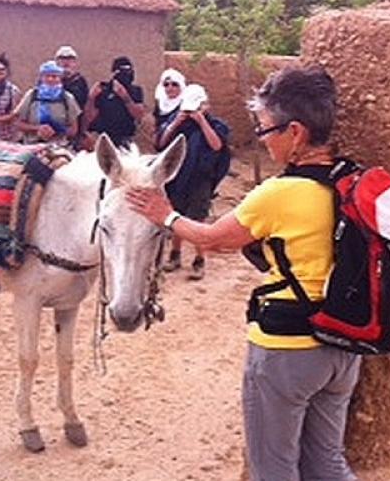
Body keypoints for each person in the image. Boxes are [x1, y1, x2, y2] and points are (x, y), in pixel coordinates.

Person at [127, 65, 361, 481]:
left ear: (296, 133)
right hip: (343, 348)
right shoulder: (352, 180)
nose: (262, 140)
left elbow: (213, 238)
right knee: (327, 464)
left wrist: (164, 215)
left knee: (273, 470)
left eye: (266, 130)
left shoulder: (280, 193)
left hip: (287, 349)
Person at [157, 84, 230, 279]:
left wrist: (201, 121)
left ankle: (199, 260)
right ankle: (175, 255)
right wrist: (175, 124)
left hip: (201, 180)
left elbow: (217, 146)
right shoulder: (178, 122)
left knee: (197, 219)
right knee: (176, 217)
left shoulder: (216, 125)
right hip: (178, 179)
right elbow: (162, 143)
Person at [14, 60, 81, 145]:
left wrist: (56, 131)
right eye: (47, 76)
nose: (50, 79)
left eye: (54, 76)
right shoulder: (31, 95)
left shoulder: (67, 98)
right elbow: (18, 124)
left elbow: (73, 130)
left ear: (60, 78)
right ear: (42, 78)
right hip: (32, 146)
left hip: (59, 147)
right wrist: (37, 129)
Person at [85, 56, 145, 147]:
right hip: (103, 137)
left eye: (129, 71)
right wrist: (91, 98)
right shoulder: (103, 89)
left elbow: (139, 116)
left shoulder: (135, 91)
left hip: (125, 137)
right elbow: (89, 118)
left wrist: (126, 98)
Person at [54, 45, 88, 149]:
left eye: (69, 58)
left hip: (74, 132)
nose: (66, 62)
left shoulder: (80, 82)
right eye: (62, 58)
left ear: (74, 62)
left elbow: (86, 107)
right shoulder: (48, 81)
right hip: (52, 132)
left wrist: (84, 132)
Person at [153, 68, 186, 132]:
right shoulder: (160, 104)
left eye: (174, 84)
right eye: (166, 85)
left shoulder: (185, 104)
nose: (170, 88)